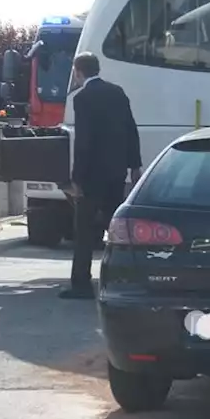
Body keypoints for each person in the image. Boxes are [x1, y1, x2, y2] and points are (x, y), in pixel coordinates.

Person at [59, 52, 141, 299]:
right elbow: (130, 128)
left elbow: (84, 141)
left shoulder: (83, 98)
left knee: (84, 230)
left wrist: (76, 178)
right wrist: (134, 165)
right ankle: (128, 278)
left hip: (92, 176)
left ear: (78, 71)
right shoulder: (117, 92)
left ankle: (81, 284)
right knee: (116, 228)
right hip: (116, 173)